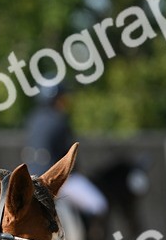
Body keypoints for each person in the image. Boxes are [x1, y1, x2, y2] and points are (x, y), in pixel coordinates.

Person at [22, 82, 107, 219]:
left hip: (31, 179)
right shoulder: (60, 120)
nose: (66, 100)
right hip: (55, 180)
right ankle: (92, 237)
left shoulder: (33, 120)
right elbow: (68, 157)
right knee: (98, 204)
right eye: (63, 97)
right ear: (55, 98)